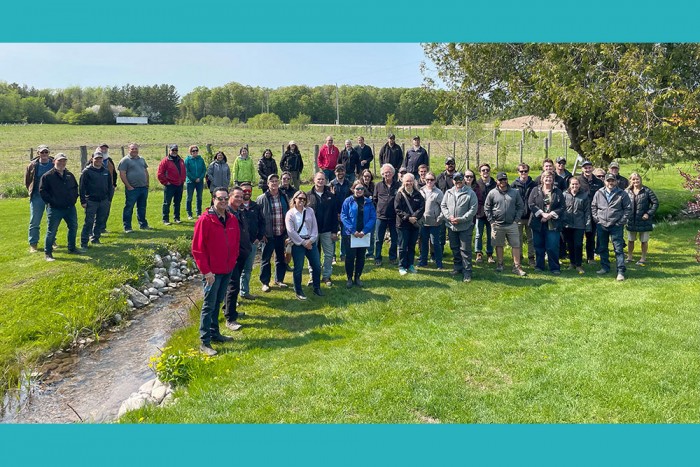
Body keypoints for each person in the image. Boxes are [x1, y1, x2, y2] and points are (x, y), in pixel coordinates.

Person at [191, 187, 240, 356]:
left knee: (218, 302)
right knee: (208, 306)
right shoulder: (205, 220)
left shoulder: (232, 219)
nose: (223, 201)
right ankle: (204, 342)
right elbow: (197, 249)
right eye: (220, 199)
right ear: (213, 199)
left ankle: (215, 334)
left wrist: (232, 262)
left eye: (226, 198)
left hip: (227, 270)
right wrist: (206, 272)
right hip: (212, 273)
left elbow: (236, 242)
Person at [39, 153, 79, 261]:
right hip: (55, 209)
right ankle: (48, 253)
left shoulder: (69, 175)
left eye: (64, 161)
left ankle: (72, 248)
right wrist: (53, 202)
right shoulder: (47, 176)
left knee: (73, 227)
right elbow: (43, 192)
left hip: (70, 208)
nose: (62, 163)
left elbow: (75, 188)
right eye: (59, 161)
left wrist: (73, 199)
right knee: (52, 231)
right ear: (54, 161)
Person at [485, 172, 527, 276]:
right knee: (499, 244)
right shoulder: (492, 193)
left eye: (505, 179)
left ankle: (517, 267)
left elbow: (520, 206)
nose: (503, 181)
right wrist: (491, 221)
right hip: (497, 224)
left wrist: (516, 220)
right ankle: (500, 264)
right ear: (497, 181)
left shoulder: (514, 192)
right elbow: (487, 208)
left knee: (516, 245)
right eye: (500, 180)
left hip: (512, 224)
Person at [592, 173, 632, 281]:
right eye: (608, 180)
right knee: (602, 248)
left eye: (612, 180)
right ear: (605, 182)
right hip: (602, 225)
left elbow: (628, 208)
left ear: (615, 181)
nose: (610, 183)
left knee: (618, 249)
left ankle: (620, 271)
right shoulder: (599, 193)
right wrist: (597, 220)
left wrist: (621, 222)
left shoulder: (622, 194)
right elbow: (594, 206)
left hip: (616, 225)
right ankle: (605, 267)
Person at [441, 172, 478, 282]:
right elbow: (443, 206)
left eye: (460, 179)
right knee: (455, 248)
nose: (458, 181)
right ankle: (457, 267)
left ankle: (467, 272)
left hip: (465, 226)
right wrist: (449, 217)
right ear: (453, 181)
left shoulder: (470, 193)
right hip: (451, 225)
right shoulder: (448, 192)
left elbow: (473, 209)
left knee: (465, 250)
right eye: (456, 179)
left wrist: (461, 219)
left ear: (463, 180)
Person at [285, 191, 323, 300]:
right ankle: (298, 291)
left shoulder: (310, 211)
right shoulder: (290, 214)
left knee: (317, 266)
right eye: (300, 198)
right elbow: (291, 231)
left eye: (304, 199)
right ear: (295, 199)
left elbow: (315, 228)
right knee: (298, 268)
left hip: (310, 242)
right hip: (298, 243)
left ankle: (317, 287)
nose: (302, 200)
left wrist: (311, 240)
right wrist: (303, 242)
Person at [256, 174, 290, 292]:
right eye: (272, 181)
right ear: (268, 184)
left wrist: (287, 232)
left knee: (280, 258)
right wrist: (261, 234)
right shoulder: (262, 198)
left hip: (281, 233)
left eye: (276, 181)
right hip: (268, 235)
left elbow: (288, 213)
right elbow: (258, 218)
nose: (274, 183)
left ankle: (279, 279)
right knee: (266, 259)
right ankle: (265, 282)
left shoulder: (283, 196)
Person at [306, 171, 340, 287]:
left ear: (325, 181)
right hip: (312, 232)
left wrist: (334, 231)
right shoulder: (307, 196)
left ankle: (326, 276)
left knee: (329, 254)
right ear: (314, 180)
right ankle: (313, 276)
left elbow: (335, 215)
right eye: (318, 179)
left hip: (327, 230)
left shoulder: (331, 196)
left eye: (322, 179)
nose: (320, 181)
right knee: (312, 255)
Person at [224, 186, 251, 332]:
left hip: (241, 254)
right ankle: (230, 319)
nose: (240, 199)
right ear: (230, 196)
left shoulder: (240, 212)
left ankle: (230, 309)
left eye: (241, 196)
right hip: (231, 256)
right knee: (233, 286)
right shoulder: (226, 214)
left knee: (232, 285)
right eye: (237, 196)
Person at [341, 181, 377, 288]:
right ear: (353, 189)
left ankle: (357, 277)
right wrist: (353, 231)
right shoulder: (348, 201)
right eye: (357, 189)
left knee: (361, 257)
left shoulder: (368, 202)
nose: (359, 190)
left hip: (363, 235)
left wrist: (364, 231)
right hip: (350, 234)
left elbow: (373, 217)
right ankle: (349, 278)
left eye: (361, 189)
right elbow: (344, 216)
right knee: (350, 257)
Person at [528, 172, 564, 274]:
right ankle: (539, 266)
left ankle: (555, 268)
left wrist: (550, 215)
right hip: (537, 223)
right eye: (546, 177)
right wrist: (542, 214)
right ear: (542, 179)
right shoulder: (535, 190)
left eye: (550, 177)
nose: (548, 179)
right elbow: (531, 204)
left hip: (553, 224)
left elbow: (562, 206)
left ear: (553, 179)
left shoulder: (558, 191)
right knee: (538, 246)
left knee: (552, 247)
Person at [79, 150, 114, 249]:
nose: (98, 160)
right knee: (89, 222)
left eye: (100, 158)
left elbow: (110, 186)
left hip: (104, 201)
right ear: (92, 159)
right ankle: (84, 242)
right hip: (91, 201)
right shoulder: (86, 171)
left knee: (100, 221)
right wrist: (83, 201)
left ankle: (96, 238)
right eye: (96, 158)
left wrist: (109, 199)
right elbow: (81, 188)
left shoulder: (106, 171)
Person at [238, 182, 265, 301]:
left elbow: (262, 222)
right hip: (239, 244)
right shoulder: (236, 207)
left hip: (252, 243)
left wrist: (259, 237)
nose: (247, 193)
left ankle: (244, 291)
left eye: (249, 191)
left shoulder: (256, 206)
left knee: (248, 269)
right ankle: (232, 297)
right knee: (236, 271)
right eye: (244, 191)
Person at [25, 144, 54, 252]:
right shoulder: (32, 165)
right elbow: (28, 181)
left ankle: (52, 241)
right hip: (37, 197)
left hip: (51, 197)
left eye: (46, 152)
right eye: (42, 152)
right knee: (35, 221)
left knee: (52, 220)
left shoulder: (54, 163)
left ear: (49, 153)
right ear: (38, 153)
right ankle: (33, 244)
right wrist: (31, 192)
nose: (44, 154)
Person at [625, 172, 659, 266]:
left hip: (644, 220)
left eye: (637, 179)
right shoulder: (627, 191)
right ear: (630, 180)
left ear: (640, 179)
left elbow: (655, 203)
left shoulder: (647, 191)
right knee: (630, 240)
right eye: (633, 179)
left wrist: (648, 213)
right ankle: (629, 257)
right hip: (631, 220)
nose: (635, 181)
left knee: (644, 240)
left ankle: (643, 258)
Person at [395, 173, 425, 275]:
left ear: (414, 182)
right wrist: (408, 218)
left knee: (411, 246)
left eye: (411, 181)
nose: (409, 183)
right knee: (403, 246)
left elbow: (422, 207)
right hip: (403, 225)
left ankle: (410, 264)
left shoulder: (418, 194)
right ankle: (401, 266)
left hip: (414, 225)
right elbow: (398, 209)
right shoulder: (399, 194)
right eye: (407, 181)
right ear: (403, 182)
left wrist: (414, 217)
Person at [118, 143, 150, 233]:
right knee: (129, 208)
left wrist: (147, 183)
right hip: (132, 189)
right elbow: (122, 174)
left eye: (136, 148)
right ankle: (127, 227)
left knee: (142, 207)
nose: (134, 150)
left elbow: (145, 171)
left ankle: (143, 224)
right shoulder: (125, 160)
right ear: (129, 150)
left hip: (143, 188)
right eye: (132, 149)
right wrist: (128, 186)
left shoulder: (141, 159)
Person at [577, 160, 603, 264]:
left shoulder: (598, 182)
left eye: (589, 167)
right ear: (582, 169)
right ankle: (578, 259)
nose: (587, 169)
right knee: (578, 237)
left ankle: (590, 258)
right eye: (585, 167)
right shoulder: (577, 180)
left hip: (593, 213)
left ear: (592, 168)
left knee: (591, 237)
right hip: (579, 213)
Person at [373, 164, 400, 266]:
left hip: (394, 217)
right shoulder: (378, 185)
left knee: (394, 238)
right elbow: (375, 199)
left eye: (389, 172)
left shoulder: (398, 185)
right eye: (385, 173)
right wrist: (379, 209)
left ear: (393, 173)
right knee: (378, 239)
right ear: (382, 174)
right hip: (381, 217)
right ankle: (377, 258)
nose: (387, 174)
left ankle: (392, 257)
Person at [562, 177, 590, 274]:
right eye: (573, 184)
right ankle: (572, 263)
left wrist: (587, 225)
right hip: (567, 225)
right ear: (569, 185)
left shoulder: (584, 196)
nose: (575, 186)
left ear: (579, 185)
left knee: (578, 244)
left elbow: (587, 211)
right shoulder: (564, 195)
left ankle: (579, 264)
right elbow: (562, 209)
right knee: (570, 245)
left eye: (576, 184)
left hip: (579, 225)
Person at [511, 163, 536, 266]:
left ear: (528, 172)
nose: (523, 173)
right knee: (518, 239)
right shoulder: (513, 185)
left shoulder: (534, 184)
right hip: (518, 217)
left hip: (531, 216)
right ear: (518, 172)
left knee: (531, 239)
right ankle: (519, 258)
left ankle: (531, 258)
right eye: (521, 171)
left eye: (525, 171)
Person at [418, 172, 444, 269]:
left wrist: (439, 218)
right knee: (423, 243)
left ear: (435, 181)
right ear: (424, 180)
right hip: (423, 222)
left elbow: (443, 207)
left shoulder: (439, 193)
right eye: (427, 179)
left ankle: (439, 263)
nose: (429, 181)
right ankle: (423, 261)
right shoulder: (421, 191)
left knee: (435, 243)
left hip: (434, 223)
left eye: (431, 179)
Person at [157, 144, 186, 225]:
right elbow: (160, 173)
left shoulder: (181, 160)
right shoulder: (165, 161)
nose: (174, 152)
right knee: (167, 203)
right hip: (170, 185)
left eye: (176, 150)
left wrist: (182, 180)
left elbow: (184, 171)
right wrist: (166, 182)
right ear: (169, 150)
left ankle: (177, 218)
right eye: (173, 150)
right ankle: (165, 219)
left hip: (179, 185)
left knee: (177, 202)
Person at [474, 163, 496, 263]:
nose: (485, 172)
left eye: (487, 170)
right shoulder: (476, 184)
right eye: (483, 170)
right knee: (478, 234)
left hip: (492, 214)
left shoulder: (494, 184)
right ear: (480, 172)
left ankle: (490, 254)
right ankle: (478, 253)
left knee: (490, 235)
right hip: (480, 213)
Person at [330, 165, 351, 262]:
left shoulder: (348, 184)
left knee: (345, 235)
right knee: (333, 235)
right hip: (334, 213)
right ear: (335, 172)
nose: (340, 173)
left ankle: (343, 255)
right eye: (338, 171)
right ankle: (332, 255)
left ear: (345, 172)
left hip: (346, 214)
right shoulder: (331, 184)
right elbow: (329, 200)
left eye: (342, 171)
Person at [95, 143, 117, 229]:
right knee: (95, 210)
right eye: (102, 148)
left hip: (108, 189)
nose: (103, 150)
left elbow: (114, 173)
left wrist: (114, 185)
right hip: (95, 190)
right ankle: (94, 228)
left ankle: (102, 227)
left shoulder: (109, 160)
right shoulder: (92, 160)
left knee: (106, 209)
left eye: (105, 148)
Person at [184, 145, 206, 220]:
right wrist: (194, 178)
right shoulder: (187, 160)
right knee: (189, 197)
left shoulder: (201, 159)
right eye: (193, 151)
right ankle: (189, 213)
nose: (195, 152)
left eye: (196, 150)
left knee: (199, 197)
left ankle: (198, 213)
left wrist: (200, 178)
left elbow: (204, 169)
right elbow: (187, 171)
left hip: (200, 181)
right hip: (190, 181)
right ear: (190, 152)